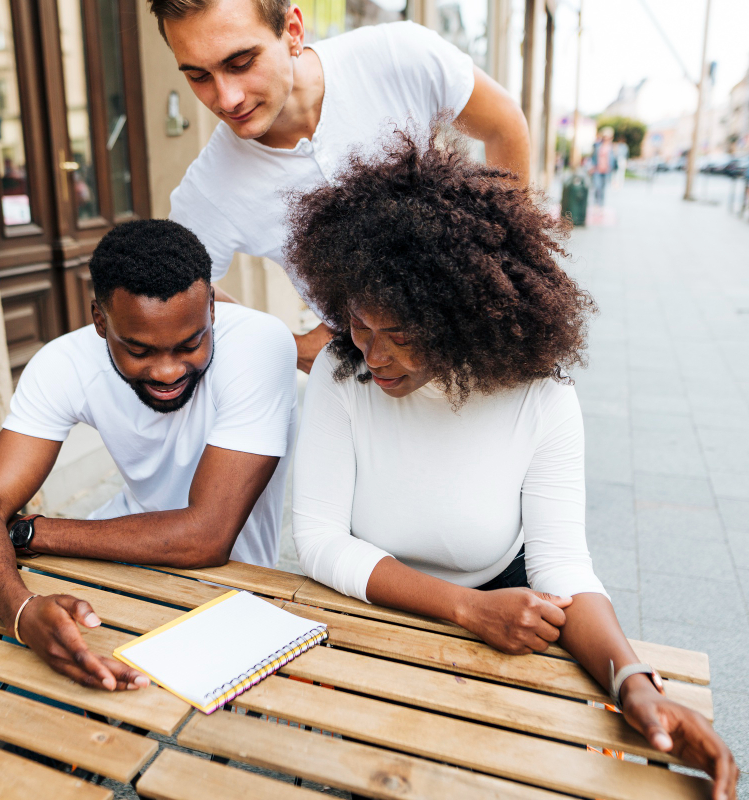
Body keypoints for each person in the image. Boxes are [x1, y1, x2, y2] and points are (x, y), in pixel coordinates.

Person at [287, 129, 739, 796]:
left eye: (402, 334)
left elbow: (562, 569)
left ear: (460, 317)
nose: (374, 355)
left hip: (504, 616)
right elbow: (318, 539)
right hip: (371, 615)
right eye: (361, 325)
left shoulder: (542, 400)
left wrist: (635, 687)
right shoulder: (340, 370)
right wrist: (465, 609)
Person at [0, 219, 297, 691]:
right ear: (98, 319)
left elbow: (206, 536)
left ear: (212, 308)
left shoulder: (260, 343)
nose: (169, 370)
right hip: (114, 565)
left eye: (190, 343)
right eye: (139, 350)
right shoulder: (62, 363)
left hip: (230, 587)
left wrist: (36, 531)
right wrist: (22, 612)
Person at [151, 0, 530, 372]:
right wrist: (287, 345)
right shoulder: (209, 185)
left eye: (241, 63)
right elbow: (174, 293)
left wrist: (502, 267)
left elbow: (504, 125)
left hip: (477, 346)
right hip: (365, 383)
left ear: (293, 31)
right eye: (198, 76)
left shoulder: (398, 54)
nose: (227, 98)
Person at [590, 126, 616, 206]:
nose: (606, 138)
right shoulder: (597, 146)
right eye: (605, 137)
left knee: (603, 189)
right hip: (597, 169)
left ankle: (601, 204)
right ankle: (596, 202)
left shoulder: (612, 147)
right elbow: (593, 157)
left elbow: (614, 160)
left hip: (606, 170)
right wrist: (592, 167)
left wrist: (613, 170)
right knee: (597, 187)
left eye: (608, 137)